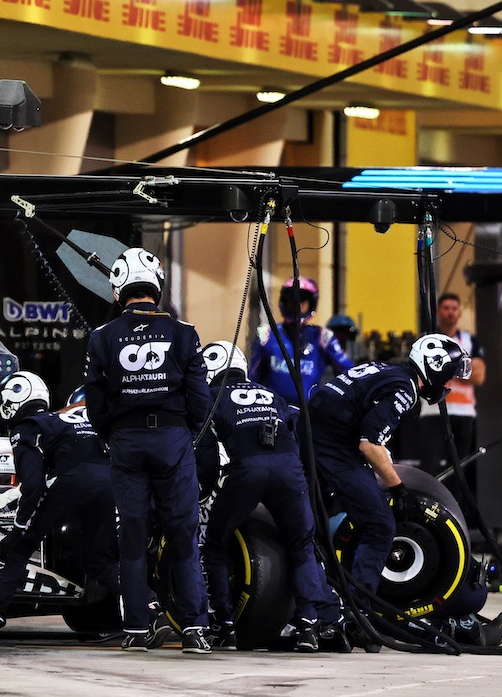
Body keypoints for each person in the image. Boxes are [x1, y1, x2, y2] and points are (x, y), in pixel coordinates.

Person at [83, 247, 212, 653]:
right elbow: (200, 400)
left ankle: (137, 630)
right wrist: (183, 433)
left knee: (133, 539)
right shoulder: (184, 331)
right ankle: (194, 630)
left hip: (125, 441)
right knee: (182, 538)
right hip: (173, 439)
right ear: (156, 286)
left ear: (119, 290)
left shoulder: (101, 338)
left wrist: (113, 434)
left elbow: (94, 404)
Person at [308, 333, 470, 609]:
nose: (447, 384)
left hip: (316, 434)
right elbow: (369, 446)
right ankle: (358, 611)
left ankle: (319, 599)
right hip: (332, 446)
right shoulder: (404, 389)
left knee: (316, 521)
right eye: (448, 376)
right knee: (380, 525)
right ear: (435, 368)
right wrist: (399, 488)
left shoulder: (390, 370)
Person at [199, 340, 330, 653]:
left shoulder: (207, 396)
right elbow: (301, 427)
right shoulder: (271, 393)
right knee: (301, 543)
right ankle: (309, 625)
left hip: (247, 471)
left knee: (215, 543)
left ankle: (225, 625)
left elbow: (202, 451)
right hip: (290, 471)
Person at [0, 371, 120, 645]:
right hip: (111, 482)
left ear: (10, 403)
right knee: (100, 560)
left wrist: (18, 528)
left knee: (15, 549)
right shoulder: (68, 419)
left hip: (70, 482)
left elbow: (34, 485)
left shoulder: (27, 427)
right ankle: (149, 609)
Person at [409, 293, 487, 490]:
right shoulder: (427, 340)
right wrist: (460, 368)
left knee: (460, 471)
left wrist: (444, 369)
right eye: (446, 308)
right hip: (433, 413)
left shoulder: (470, 341)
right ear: (438, 311)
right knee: (430, 467)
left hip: (464, 414)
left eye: (454, 308)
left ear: (459, 312)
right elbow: (420, 375)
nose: (450, 313)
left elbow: (478, 376)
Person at [250, 277, 353, 405]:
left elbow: (349, 373)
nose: (297, 305)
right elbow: (253, 377)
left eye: (302, 300)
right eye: (292, 299)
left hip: (309, 414)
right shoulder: (267, 334)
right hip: (273, 411)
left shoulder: (322, 336)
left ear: (311, 303)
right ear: (284, 301)